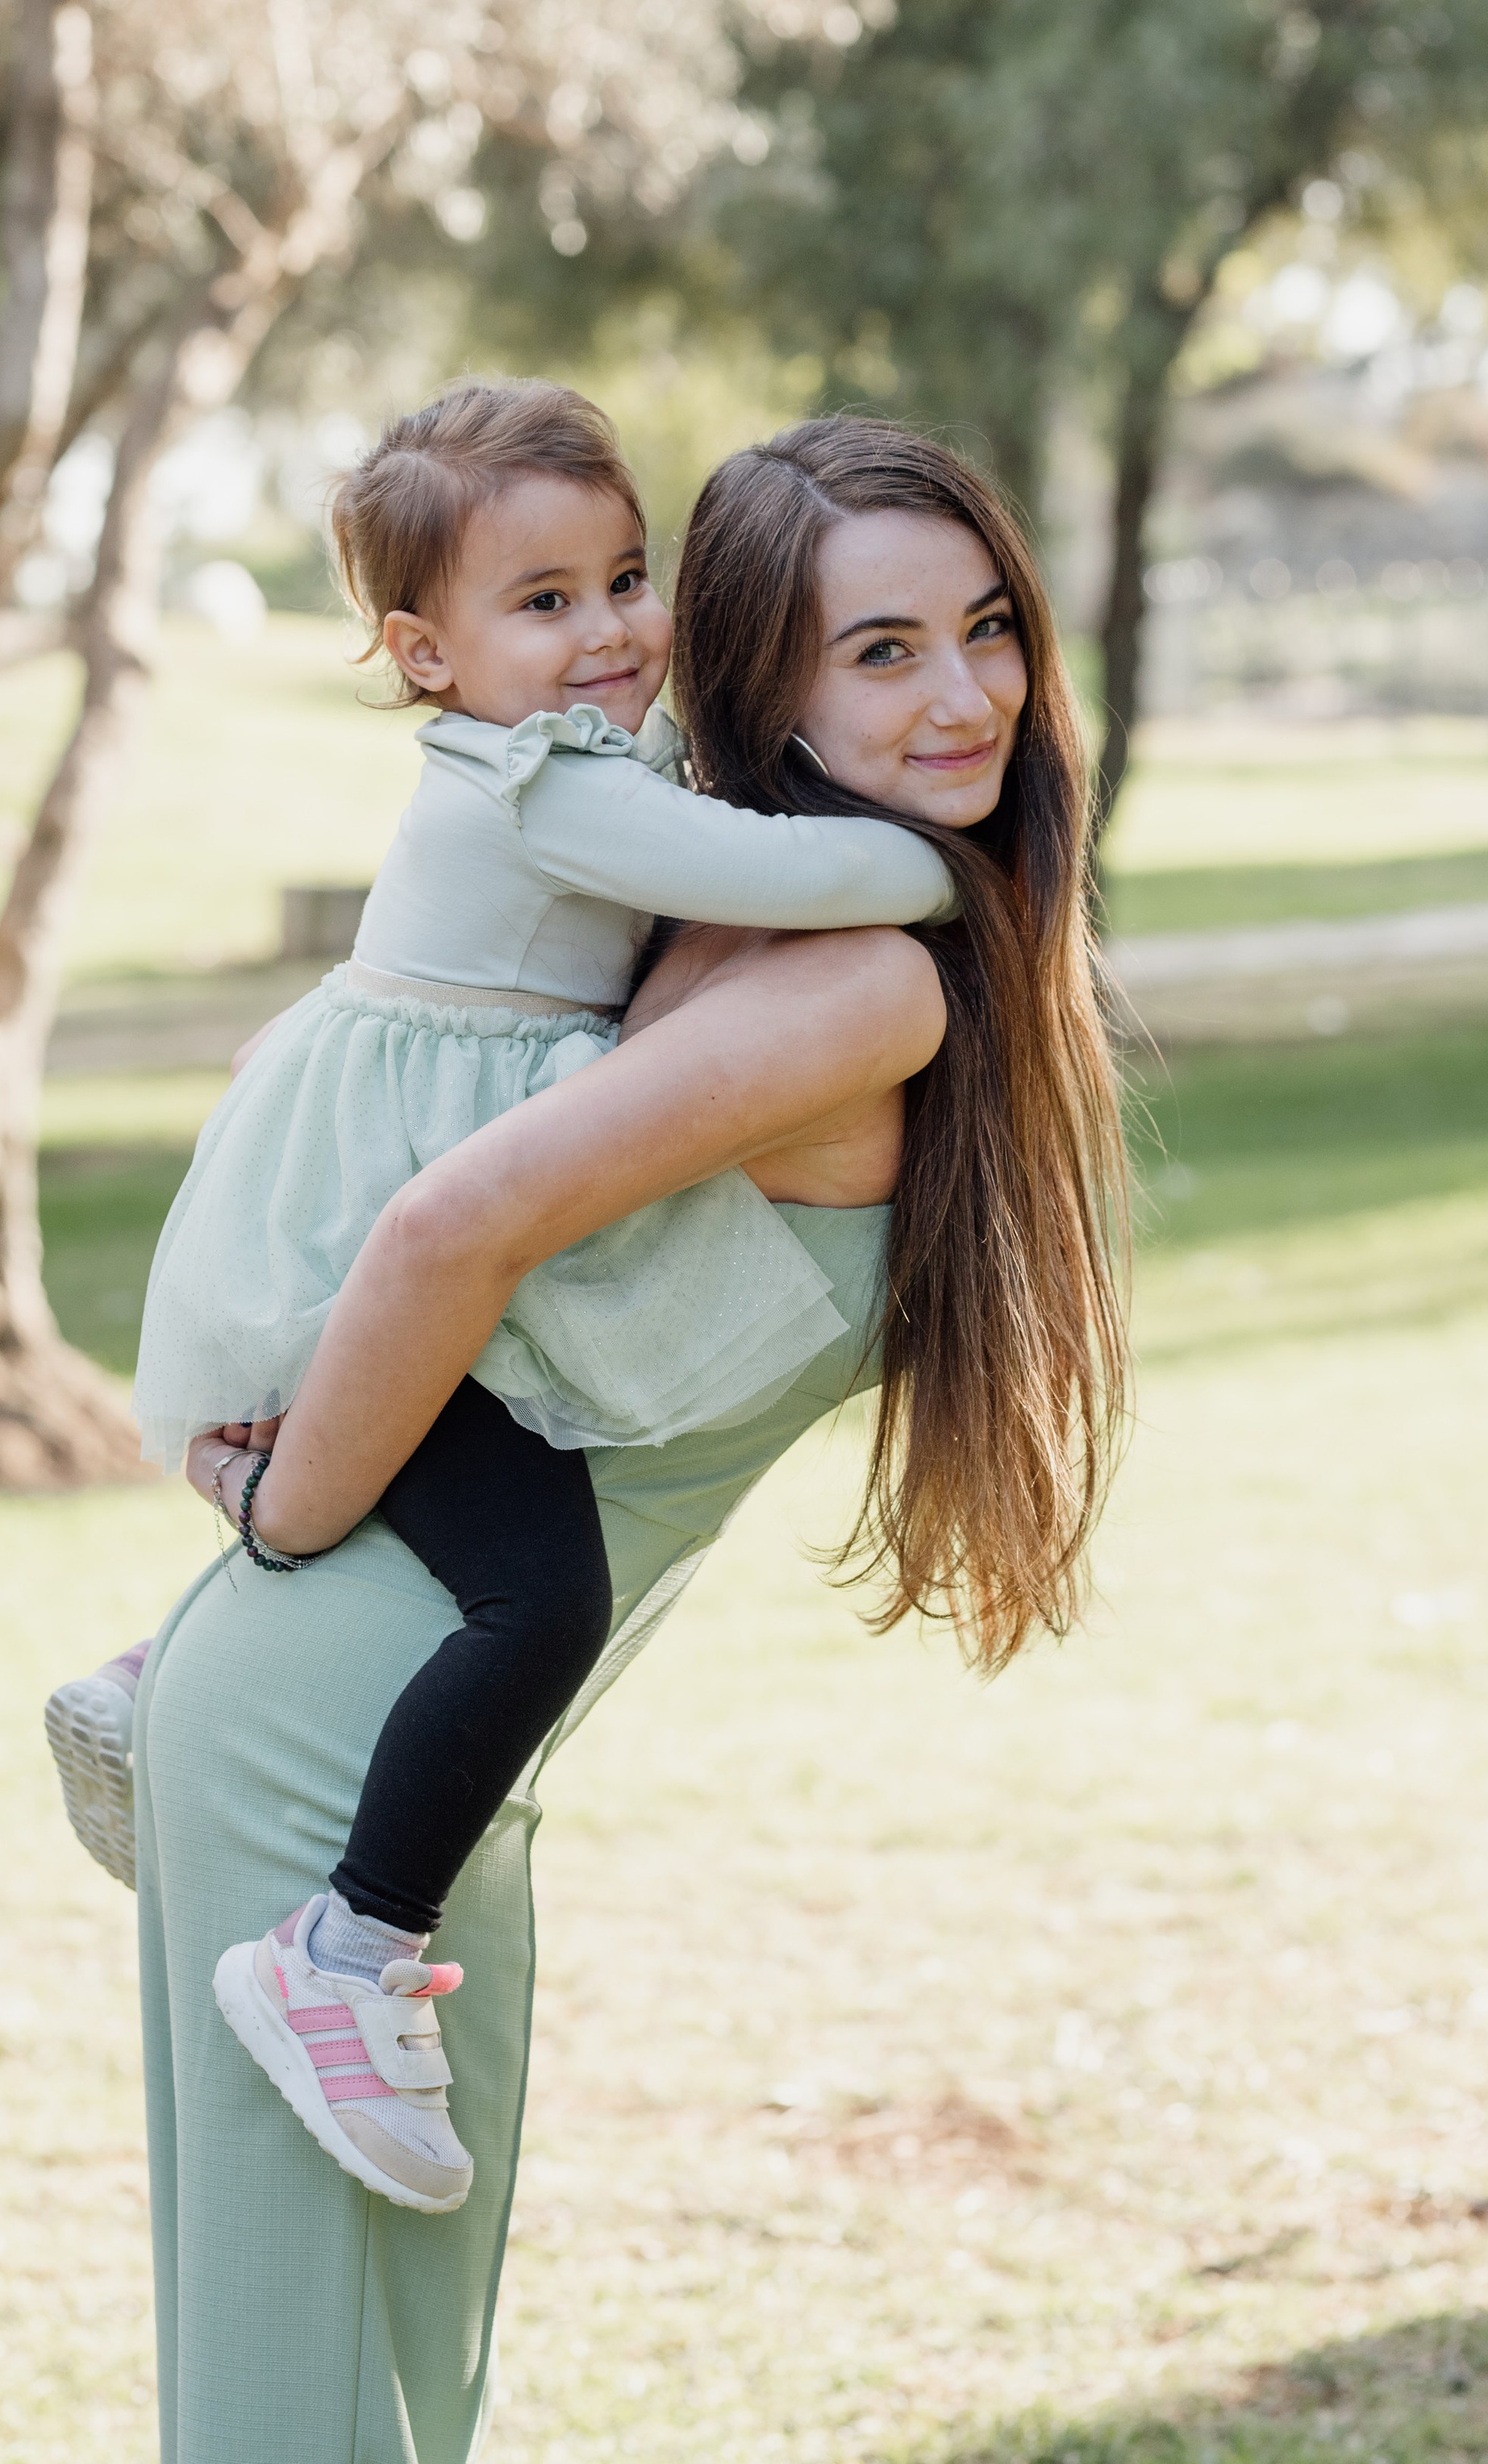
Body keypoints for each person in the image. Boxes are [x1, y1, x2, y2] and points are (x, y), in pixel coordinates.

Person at [127, 418, 1129, 2464]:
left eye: (986, 628)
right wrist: (270, 1525)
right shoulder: (851, 977)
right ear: (757, 680)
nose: (962, 696)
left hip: (434, 1748)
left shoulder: (701, 925)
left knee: (406, 2374)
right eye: (878, 651)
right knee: (292, 2391)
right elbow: (441, 1223)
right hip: (326, 1735)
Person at [47, 377, 955, 2211]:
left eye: (624, 579)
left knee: (479, 1516)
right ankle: (346, 1948)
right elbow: (766, 865)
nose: (610, 630)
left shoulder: (580, 762)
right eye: (541, 603)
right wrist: (941, 861)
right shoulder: (538, 783)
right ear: (424, 649)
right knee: (539, 1594)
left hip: (391, 1187)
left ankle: (170, 1671)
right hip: (377, 1212)